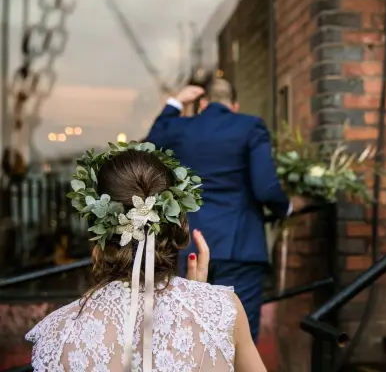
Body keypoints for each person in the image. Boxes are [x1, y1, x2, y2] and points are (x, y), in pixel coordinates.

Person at [26, 146, 267, 371]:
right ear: (174, 224)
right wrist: (201, 301)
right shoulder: (223, 310)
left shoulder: (55, 336)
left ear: (98, 231)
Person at [146, 78, 303, 343]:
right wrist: (287, 207)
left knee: (193, 336)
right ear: (235, 105)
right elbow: (266, 188)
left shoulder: (182, 129)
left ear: (202, 104)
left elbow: (149, 146)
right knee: (238, 338)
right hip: (240, 246)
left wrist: (175, 102)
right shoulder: (250, 126)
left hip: (192, 248)